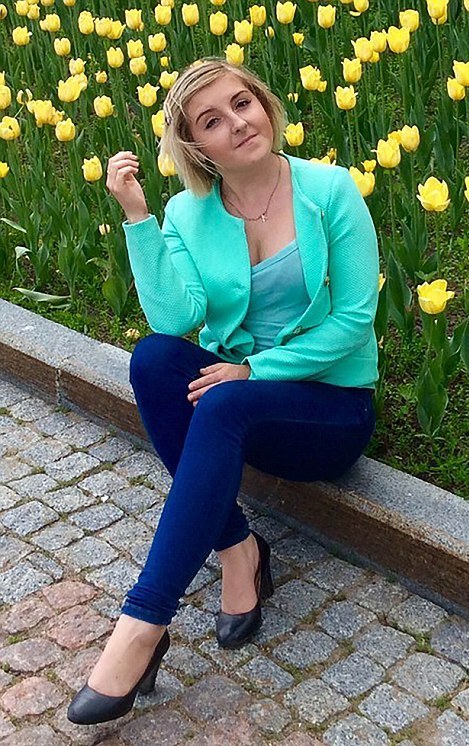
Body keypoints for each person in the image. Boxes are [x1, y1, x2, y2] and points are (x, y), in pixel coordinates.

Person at [68, 58, 379, 726]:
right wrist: (138, 218)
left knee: (227, 398)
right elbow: (173, 320)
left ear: (264, 103)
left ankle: (142, 624)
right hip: (236, 406)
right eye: (211, 120)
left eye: (242, 103)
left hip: (328, 410)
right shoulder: (189, 211)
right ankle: (238, 548)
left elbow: (355, 321)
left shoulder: (329, 190)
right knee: (154, 359)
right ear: (195, 146)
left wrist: (252, 370)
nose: (237, 123)